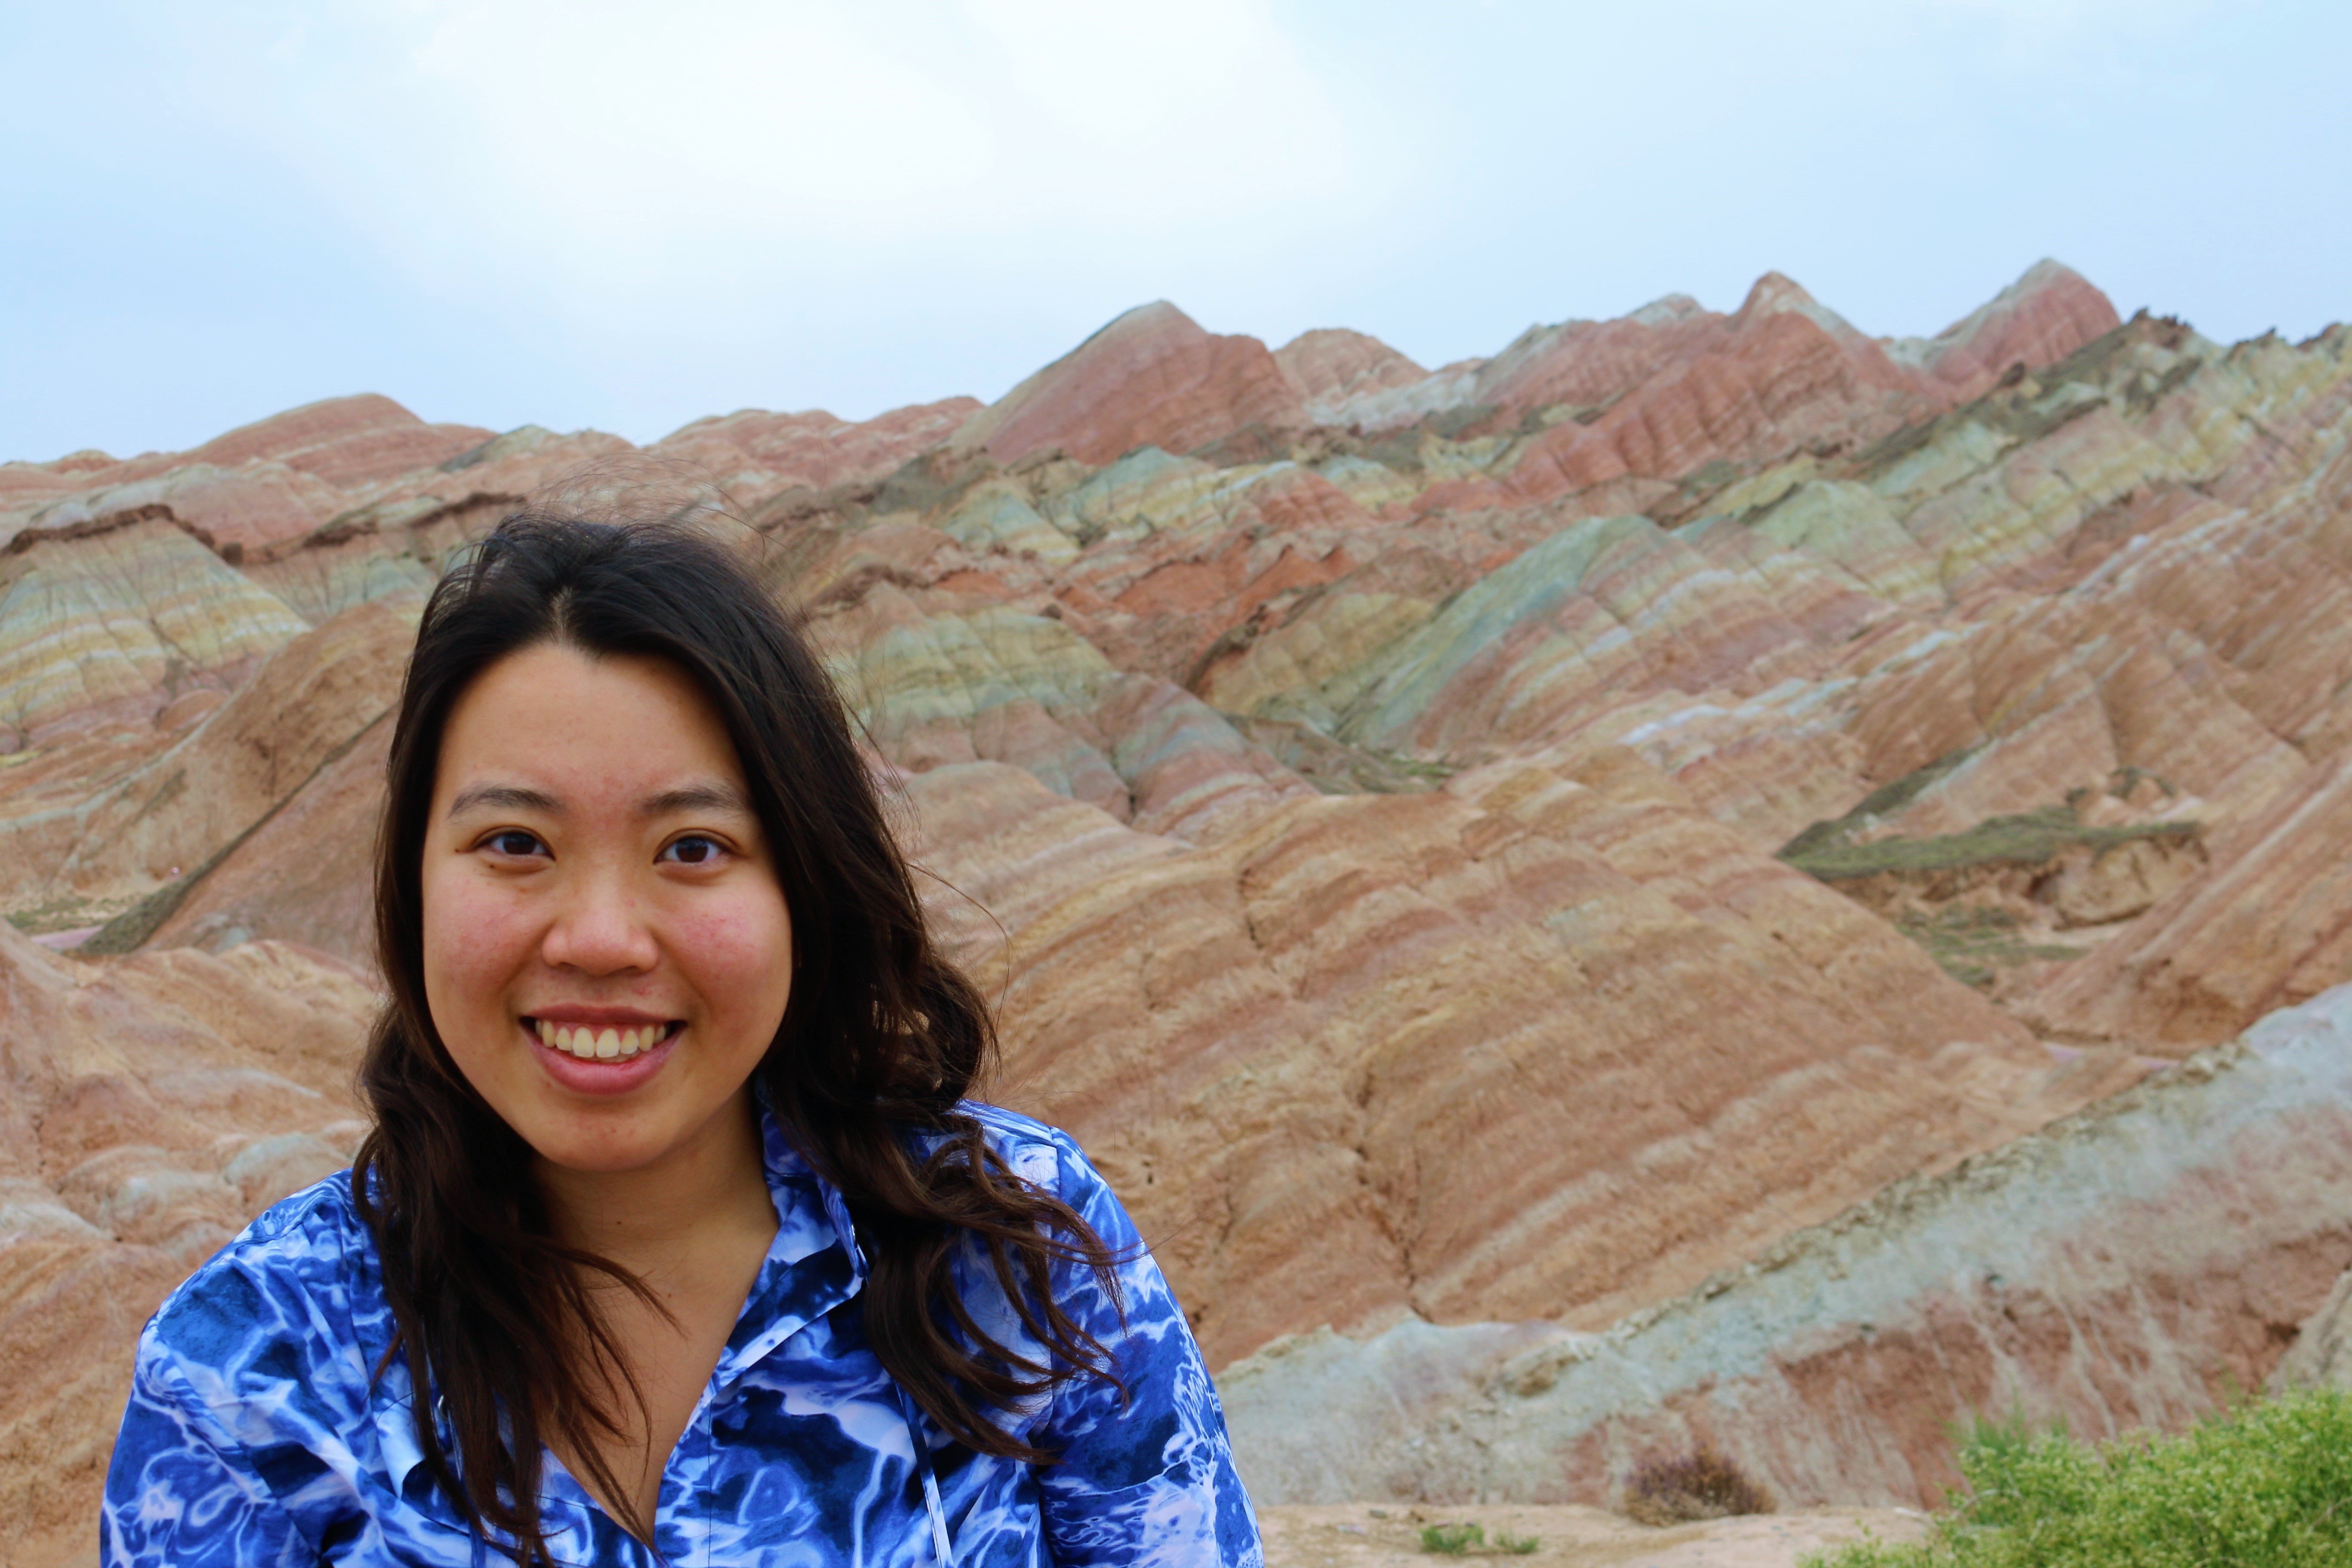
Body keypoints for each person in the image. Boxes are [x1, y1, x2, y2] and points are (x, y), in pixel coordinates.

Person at [101, 514, 1263, 1568]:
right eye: (515, 842)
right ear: (413, 889)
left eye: (693, 848)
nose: (601, 939)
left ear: (804, 886)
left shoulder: (1015, 1258)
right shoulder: (253, 1369)